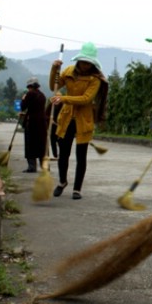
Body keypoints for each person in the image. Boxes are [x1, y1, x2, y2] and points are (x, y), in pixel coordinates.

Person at [49, 42, 108, 200]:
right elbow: (53, 87)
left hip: (83, 119)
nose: (85, 65)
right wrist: (54, 69)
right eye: (83, 61)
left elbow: (86, 99)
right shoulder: (68, 72)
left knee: (81, 155)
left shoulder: (95, 79)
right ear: (79, 60)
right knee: (64, 153)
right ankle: (62, 182)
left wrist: (63, 98)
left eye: (88, 62)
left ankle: (77, 188)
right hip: (67, 117)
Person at [20, 77, 47, 173]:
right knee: (41, 144)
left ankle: (32, 167)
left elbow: (23, 107)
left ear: (30, 86)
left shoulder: (30, 94)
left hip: (31, 123)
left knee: (30, 144)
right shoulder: (42, 95)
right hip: (42, 123)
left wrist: (23, 99)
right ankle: (44, 166)